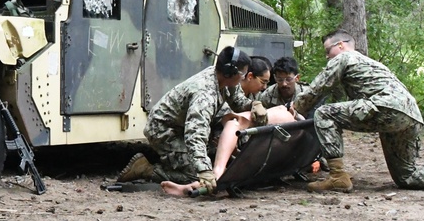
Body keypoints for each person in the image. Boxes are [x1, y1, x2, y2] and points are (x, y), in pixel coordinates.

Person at [295, 29, 424, 193]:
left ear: (341, 45)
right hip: (410, 115)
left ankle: (337, 177)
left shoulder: (345, 57)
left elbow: (317, 89)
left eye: (328, 51)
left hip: (385, 106)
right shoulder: (372, 63)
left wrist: (294, 108)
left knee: (324, 113)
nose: (327, 56)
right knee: (406, 176)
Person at [116, 46, 253, 193]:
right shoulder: (204, 95)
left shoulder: (224, 79)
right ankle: (146, 169)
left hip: (180, 125)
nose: (243, 77)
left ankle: (176, 160)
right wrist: (204, 170)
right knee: (195, 176)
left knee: (205, 161)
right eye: (242, 73)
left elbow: (238, 101)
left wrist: (254, 105)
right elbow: (195, 133)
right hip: (163, 129)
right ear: (229, 73)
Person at [159, 104, 298, 197]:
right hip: (273, 160)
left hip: (266, 150)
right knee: (240, 166)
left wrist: (218, 168)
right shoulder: (298, 131)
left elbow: (235, 122)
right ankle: (197, 184)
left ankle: (208, 178)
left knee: (232, 126)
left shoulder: (282, 113)